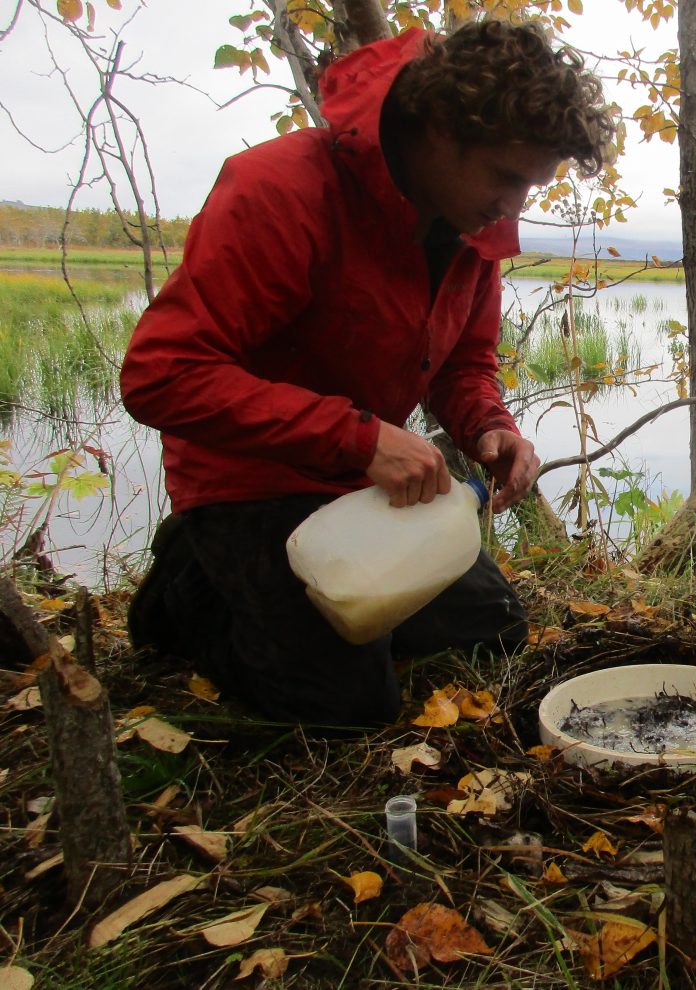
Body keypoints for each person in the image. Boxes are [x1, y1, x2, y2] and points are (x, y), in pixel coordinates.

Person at [121, 20, 614, 726]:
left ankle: (308, 616)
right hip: (247, 483)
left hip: (362, 484)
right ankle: (188, 592)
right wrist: (358, 440)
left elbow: (465, 363)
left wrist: (487, 425)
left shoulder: (472, 226)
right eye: (507, 177)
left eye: (530, 185)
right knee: (346, 706)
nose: (515, 207)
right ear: (439, 126)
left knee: (491, 630)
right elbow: (158, 373)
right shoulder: (283, 190)